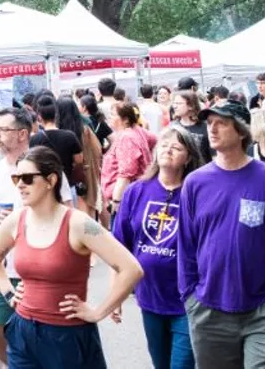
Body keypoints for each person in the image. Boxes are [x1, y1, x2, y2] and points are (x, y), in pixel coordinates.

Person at [0, 145, 142, 369]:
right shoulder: (17, 219)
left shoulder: (78, 223)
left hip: (67, 336)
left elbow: (131, 268)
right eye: (16, 178)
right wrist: (8, 291)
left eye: (28, 178)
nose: (20, 184)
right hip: (23, 330)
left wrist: (99, 312)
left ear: (51, 180)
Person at [179, 100, 265, 368]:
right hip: (209, 309)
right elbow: (186, 246)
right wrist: (190, 296)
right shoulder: (195, 183)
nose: (212, 129)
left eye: (221, 123)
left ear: (241, 131)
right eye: (209, 123)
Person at [0, 107, 70, 365]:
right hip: (3, 271)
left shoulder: (48, 170)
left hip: (44, 271)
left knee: (45, 335)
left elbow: (68, 214)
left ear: (22, 134)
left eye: (2, 130)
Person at [112, 126, 204, 369]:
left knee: (181, 365)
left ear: (189, 157)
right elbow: (119, 247)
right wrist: (116, 295)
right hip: (150, 297)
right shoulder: (136, 191)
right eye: (163, 145)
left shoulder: (197, 193)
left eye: (176, 147)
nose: (168, 150)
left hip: (188, 300)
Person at [102, 103, 153, 226]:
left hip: (126, 200)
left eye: (113, 115)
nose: (109, 117)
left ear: (125, 119)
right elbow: (154, 139)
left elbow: (126, 173)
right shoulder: (136, 131)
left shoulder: (127, 137)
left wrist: (117, 201)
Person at [30, 98, 83, 206]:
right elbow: (79, 160)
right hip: (68, 184)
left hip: (45, 187)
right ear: (56, 115)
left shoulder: (34, 139)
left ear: (39, 117)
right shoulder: (70, 136)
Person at [171, 91, 213, 164]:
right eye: (174, 103)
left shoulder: (206, 127)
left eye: (179, 103)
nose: (174, 106)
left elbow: (214, 155)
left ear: (191, 106)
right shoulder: (172, 127)